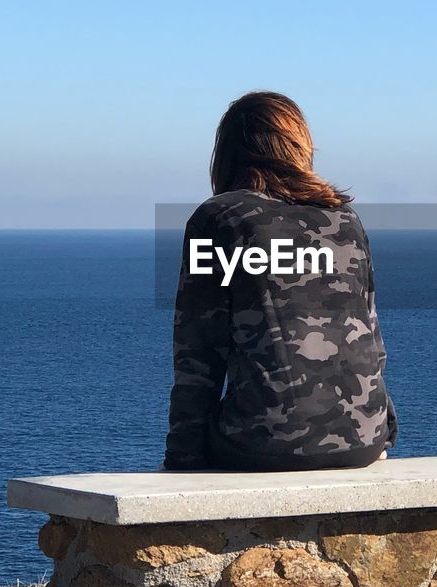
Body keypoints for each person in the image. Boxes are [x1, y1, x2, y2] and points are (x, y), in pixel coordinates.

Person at [163, 91, 397, 471]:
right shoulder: (346, 220)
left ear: (227, 154)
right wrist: (381, 435)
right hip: (364, 441)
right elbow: (370, 339)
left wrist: (180, 461)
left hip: (264, 443)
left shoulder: (218, 219)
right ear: (299, 146)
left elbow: (198, 355)